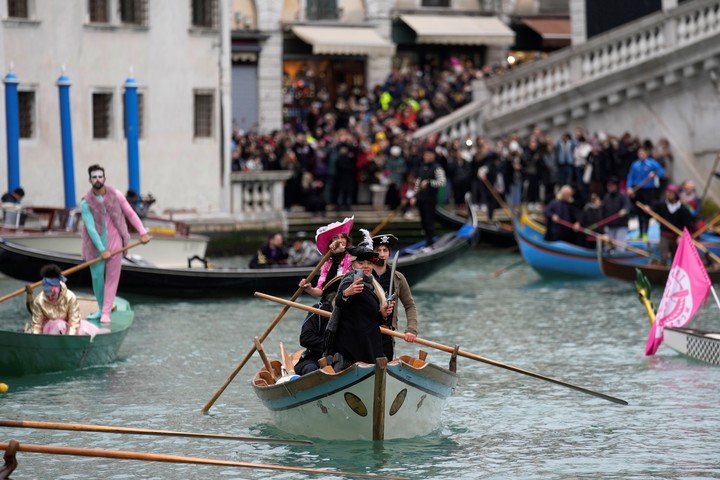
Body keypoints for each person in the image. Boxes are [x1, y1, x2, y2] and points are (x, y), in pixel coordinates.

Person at [81, 165, 151, 324]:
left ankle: (106, 312)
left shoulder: (116, 195)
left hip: (116, 243)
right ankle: (101, 308)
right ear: (90, 180)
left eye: (100, 176)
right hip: (96, 247)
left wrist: (142, 232)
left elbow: (130, 213)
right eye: (94, 177)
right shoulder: (86, 203)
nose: (97, 179)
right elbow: (91, 228)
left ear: (105, 178)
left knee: (112, 278)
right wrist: (102, 249)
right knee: (97, 278)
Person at [321, 238, 392, 372]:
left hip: (370, 342)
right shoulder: (350, 280)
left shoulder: (370, 284)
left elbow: (367, 314)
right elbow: (340, 303)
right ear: (353, 265)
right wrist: (346, 294)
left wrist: (382, 314)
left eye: (369, 263)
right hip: (353, 344)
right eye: (361, 263)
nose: (366, 266)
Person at [371, 233, 417, 360]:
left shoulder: (398, 278)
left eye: (385, 250)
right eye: (378, 250)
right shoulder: (365, 276)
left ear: (389, 253)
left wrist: (411, 330)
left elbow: (409, 305)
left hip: (387, 333)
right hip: (365, 332)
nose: (381, 254)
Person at [25, 264, 102, 337]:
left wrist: (69, 339)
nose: (50, 297)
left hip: (67, 326)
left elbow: (74, 321)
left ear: (58, 289)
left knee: (81, 330)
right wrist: (37, 340)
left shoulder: (70, 297)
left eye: (52, 294)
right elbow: (37, 324)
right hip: (48, 330)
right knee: (59, 325)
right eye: (47, 294)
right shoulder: (39, 301)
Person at [294, 275, 342, 375]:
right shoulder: (318, 311)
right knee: (311, 370)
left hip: (349, 359)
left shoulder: (359, 312)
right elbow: (306, 338)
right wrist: (333, 346)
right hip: (317, 358)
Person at [299, 217, 354, 298]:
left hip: (351, 299)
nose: (340, 240)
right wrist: (309, 288)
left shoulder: (354, 256)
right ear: (330, 242)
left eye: (342, 237)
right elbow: (320, 291)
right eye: (335, 237)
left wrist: (343, 250)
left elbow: (359, 275)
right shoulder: (327, 263)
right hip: (332, 301)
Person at [626, 147, 666, 240]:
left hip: (649, 190)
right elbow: (631, 176)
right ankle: (640, 232)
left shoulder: (651, 163)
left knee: (647, 211)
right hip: (638, 190)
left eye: (643, 153)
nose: (641, 155)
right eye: (639, 153)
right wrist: (629, 187)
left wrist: (654, 174)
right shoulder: (635, 164)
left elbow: (662, 172)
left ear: (646, 154)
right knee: (638, 211)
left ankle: (646, 233)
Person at [651, 184, 694, 265]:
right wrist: (648, 210)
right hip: (664, 236)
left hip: (677, 237)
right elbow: (651, 211)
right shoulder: (661, 205)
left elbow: (688, 225)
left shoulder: (683, 209)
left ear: (675, 194)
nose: (668, 194)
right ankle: (662, 273)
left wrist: (682, 236)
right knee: (664, 257)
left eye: (671, 193)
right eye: (667, 192)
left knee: (676, 259)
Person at [415, 147, 446, 251]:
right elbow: (418, 181)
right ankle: (426, 242)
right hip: (421, 198)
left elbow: (442, 182)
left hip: (430, 199)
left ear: (433, 156)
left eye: (428, 155)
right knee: (423, 222)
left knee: (429, 222)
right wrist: (414, 195)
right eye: (425, 155)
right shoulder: (422, 166)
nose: (426, 157)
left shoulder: (437, 168)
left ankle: (430, 244)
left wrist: (429, 183)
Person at [601, 177, 631, 251]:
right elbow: (603, 211)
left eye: (611, 185)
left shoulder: (623, 196)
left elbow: (629, 208)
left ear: (616, 186)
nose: (610, 187)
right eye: (608, 186)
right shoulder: (606, 197)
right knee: (607, 247)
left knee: (619, 248)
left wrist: (624, 211)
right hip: (609, 226)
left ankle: (620, 260)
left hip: (621, 226)